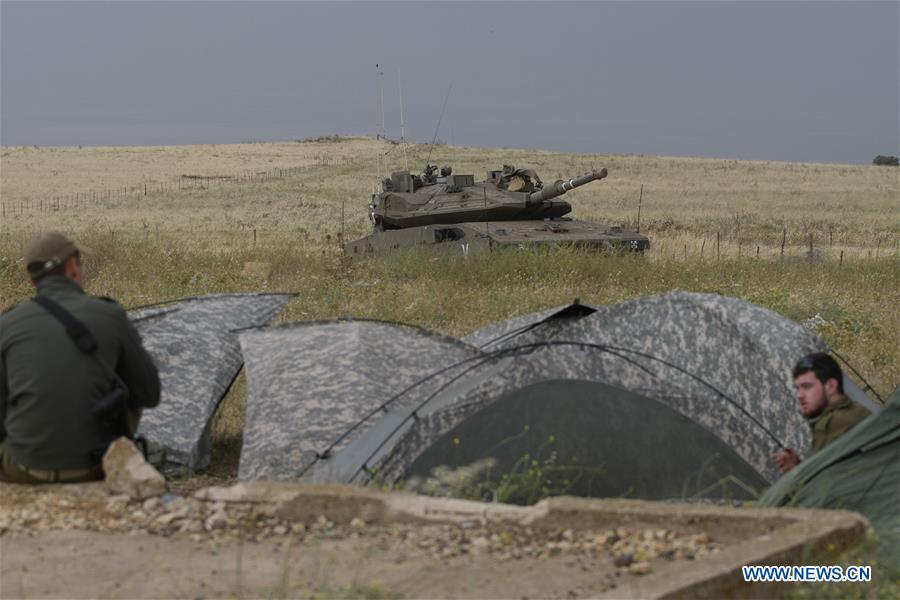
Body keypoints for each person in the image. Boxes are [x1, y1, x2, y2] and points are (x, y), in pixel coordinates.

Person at [0, 232, 160, 483]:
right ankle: (115, 456)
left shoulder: (7, 324)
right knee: (127, 389)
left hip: (23, 469)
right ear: (73, 266)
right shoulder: (110, 315)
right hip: (94, 467)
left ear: (32, 280)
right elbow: (149, 394)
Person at [773, 353, 871, 473]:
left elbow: (829, 487)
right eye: (797, 388)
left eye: (807, 386)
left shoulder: (837, 424)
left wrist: (794, 470)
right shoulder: (854, 412)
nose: (799, 395)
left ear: (831, 386)